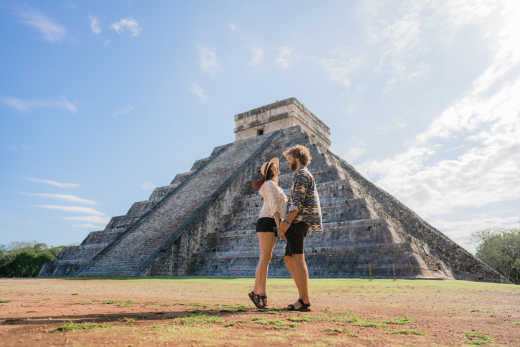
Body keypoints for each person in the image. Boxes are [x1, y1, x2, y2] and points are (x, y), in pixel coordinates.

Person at [278, 145, 323, 312]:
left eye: (289, 160)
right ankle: (302, 297)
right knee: (289, 259)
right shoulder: (301, 174)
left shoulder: (301, 175)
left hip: (298, 221)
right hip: (297, 221)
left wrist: (285, 224)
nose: (287, 163)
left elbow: (296, 204)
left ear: (297, 159)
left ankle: (304, 300)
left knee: (297, 258)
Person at [248, 157, 287, 309]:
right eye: (275, 167)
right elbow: (273, 205)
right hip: (268, 220)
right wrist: (279, 226)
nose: (278, 168)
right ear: (271, 171)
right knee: (264, 258)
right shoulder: (269, 184)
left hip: (270, 221)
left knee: (266, 258)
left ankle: (258, 293)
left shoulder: (273, 185)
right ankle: (259, 293)